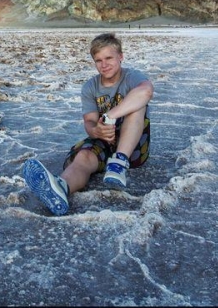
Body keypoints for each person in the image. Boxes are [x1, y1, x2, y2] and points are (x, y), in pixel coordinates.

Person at [22, 32, 153, 215]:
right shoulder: (90, 87)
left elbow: (146, 91)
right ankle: (61, 188)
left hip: (135, 149)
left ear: (120, 57)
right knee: (83, 157)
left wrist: (109, 116)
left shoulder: (132, 77)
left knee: (136, 107)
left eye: (109, 58)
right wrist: (96, 131)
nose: (104, 64)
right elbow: (90, 122)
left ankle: (119, 162)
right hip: (106, 142)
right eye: (98, 60)